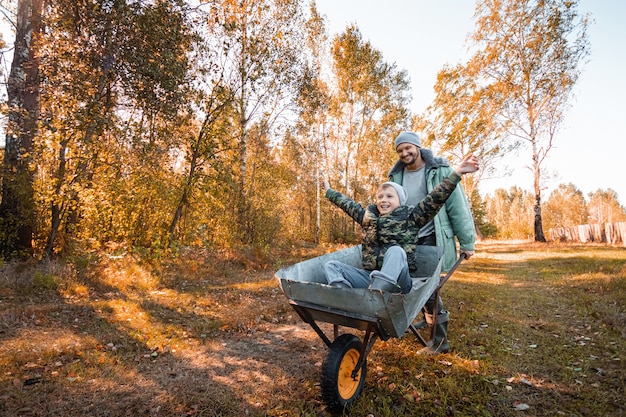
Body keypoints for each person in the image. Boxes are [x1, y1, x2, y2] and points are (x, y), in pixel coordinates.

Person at [321, 154, 479, 295]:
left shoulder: (412, 217)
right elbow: (348, 204)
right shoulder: (368, 217)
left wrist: (456, 174)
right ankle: (342, 294)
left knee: (396, 251)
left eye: (390, 196)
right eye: (380, 196)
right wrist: (329, 191)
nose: (384, 200)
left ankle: (378, 292)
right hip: (371, 277)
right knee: (332, 265)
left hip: (399, 282)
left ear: (400, 201)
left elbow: (435, 198)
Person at [389, 131, 476, 354]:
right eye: (399, 150)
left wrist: (467, 242)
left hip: (432, 236)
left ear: (418, 147)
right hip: (407, 239)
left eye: (408, 148)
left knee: (430, 288)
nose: (404, 153)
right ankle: (427, 320)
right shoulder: (396, 177)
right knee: (413, 284)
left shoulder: (440, 171)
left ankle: (439, 342)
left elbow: (458, 208)